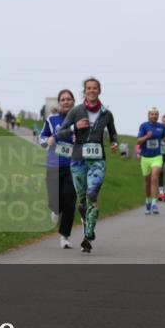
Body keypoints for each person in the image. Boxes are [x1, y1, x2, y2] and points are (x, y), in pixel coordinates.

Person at [52, 77, 119, 253]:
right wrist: (75, 127)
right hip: (77, 160)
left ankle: (88, 234)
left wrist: (114, 143)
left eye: (94, 88)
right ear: (84, 91)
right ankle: (88, 227)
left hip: (98, 160)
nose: (91, 91)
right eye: (88, 88)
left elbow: (113, 133)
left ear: (99, 90)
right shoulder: (76, 111)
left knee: (92, 193)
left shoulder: (106, 114)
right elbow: (60, 133)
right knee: (81, 201)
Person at [39, 89, 78, 249]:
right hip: (53, 165)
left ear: (73, 102)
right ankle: (55, 210)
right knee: (55, 202)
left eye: (69, 99)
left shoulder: (80, 121)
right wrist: (46, 140)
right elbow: (41, 139)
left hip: (73, 166)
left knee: (70, 201)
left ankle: (64, 236)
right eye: (63, 99)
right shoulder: (52, 119)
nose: (66, 101)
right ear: (59, 102)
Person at [136, 108, 165, 214]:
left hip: (157, 157)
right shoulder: (144, 126)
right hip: (145, 158)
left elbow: (164, 138)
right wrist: (146, 136)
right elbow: (138, 141)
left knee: (154, 178)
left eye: (156, 114)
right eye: (152, 114)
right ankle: (148, 201)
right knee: (147, 181)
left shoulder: (161, 127)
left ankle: (154, 204)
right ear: (148, 115)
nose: (154, 116)